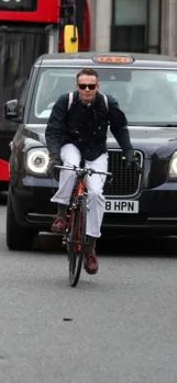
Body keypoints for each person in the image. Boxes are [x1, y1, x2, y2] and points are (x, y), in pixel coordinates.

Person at [45, 68, 137, 275]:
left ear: (98, 87)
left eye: (91, 86)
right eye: (82, 86)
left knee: (96, 194)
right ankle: (61, 214)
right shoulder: (65, 101)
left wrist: (129, 152)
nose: (87, 90)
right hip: (72, 145)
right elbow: (53, 130)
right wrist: (53, 156)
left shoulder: (107, 103)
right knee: (69, 168)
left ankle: (90, 248)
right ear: (76, 86)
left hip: (96, 151)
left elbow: (120, 128)